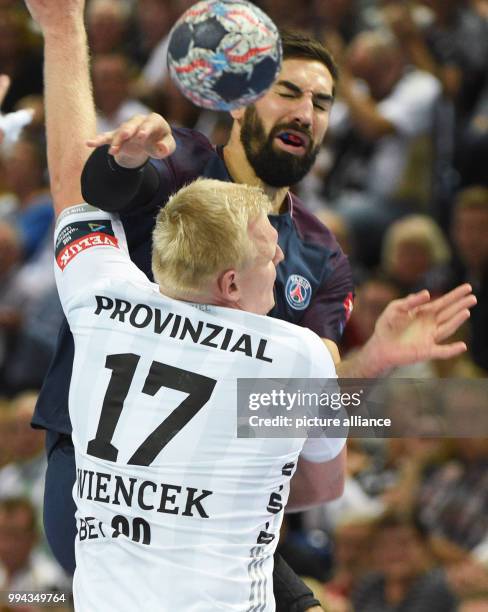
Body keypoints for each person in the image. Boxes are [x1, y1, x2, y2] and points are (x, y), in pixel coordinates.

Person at [30, 2, 475, 610]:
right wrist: (121, 153)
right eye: (285, 91)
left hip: (209, 495)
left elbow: (289, 412)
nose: (305, 111)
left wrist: (372, 362)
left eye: (321, 103)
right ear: (237, 97)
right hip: (100, 480)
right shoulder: (180, 158)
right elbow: (86, 193)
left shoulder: (320, 254)